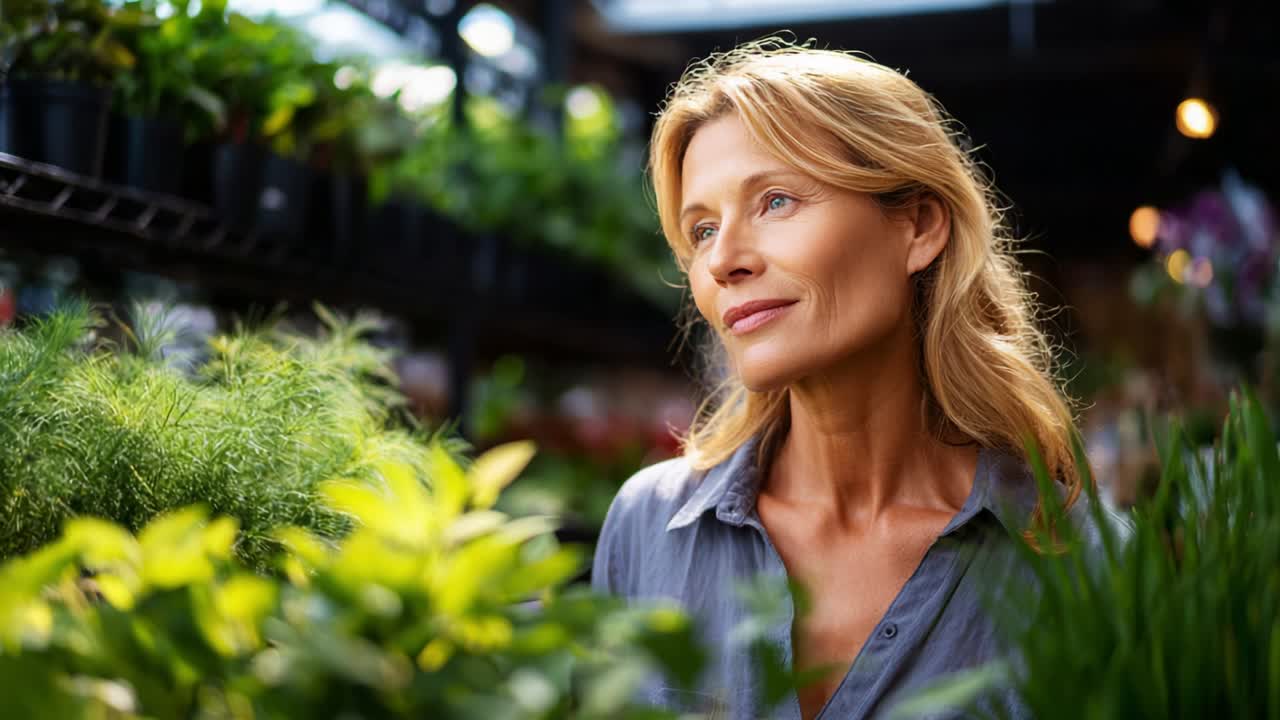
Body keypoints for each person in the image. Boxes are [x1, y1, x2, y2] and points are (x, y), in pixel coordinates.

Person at [590, 38, 1127, 720]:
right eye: (701, 230)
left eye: (776, 201)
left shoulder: (1085, 563)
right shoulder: (646, 528)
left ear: (919, 225)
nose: (722, 260)